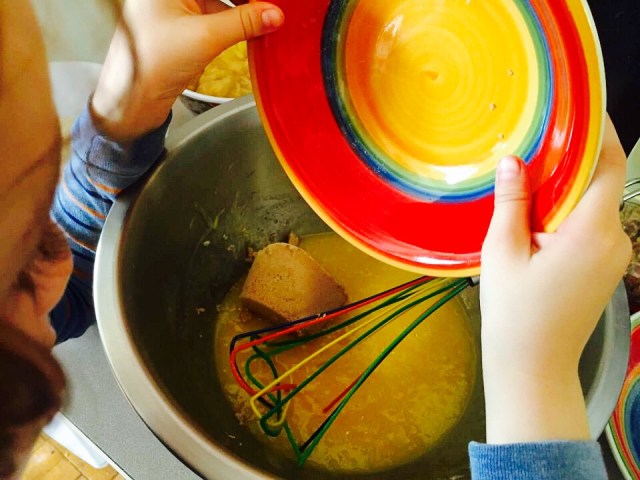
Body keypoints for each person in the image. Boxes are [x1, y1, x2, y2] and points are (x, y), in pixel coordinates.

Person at [0, 1, 631, 479]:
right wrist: (534, 377)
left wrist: (125, 110)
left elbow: (58, 279)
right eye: (32, 237)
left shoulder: (27, 307)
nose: (48, 264)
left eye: (34, 240)